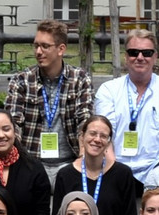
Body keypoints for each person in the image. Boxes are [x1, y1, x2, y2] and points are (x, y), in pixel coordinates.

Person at [95, 28, 159, 181]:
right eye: (133, 52)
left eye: (146, 53)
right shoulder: (108, 90)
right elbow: (104, 136)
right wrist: (114, 172)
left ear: (155, 57)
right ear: (126, 56)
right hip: (115, 169)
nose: (140, 57)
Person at [6, 20, 95, 181]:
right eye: (36, 46)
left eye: (45, 46)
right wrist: (17, 163)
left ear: (61, 49)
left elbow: (85, 121)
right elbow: (14, 124)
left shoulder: (79, 79)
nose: (38, 51)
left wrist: (82, 158)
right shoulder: (22, 80)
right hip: (32, 163)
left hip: (69, 162)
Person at [51, 115, 143, 215]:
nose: (97, 139)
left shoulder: (123, 174)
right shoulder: (65, 175)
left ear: (109, 142)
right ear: (82, 137)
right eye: (93, 133)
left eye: (103, 136)